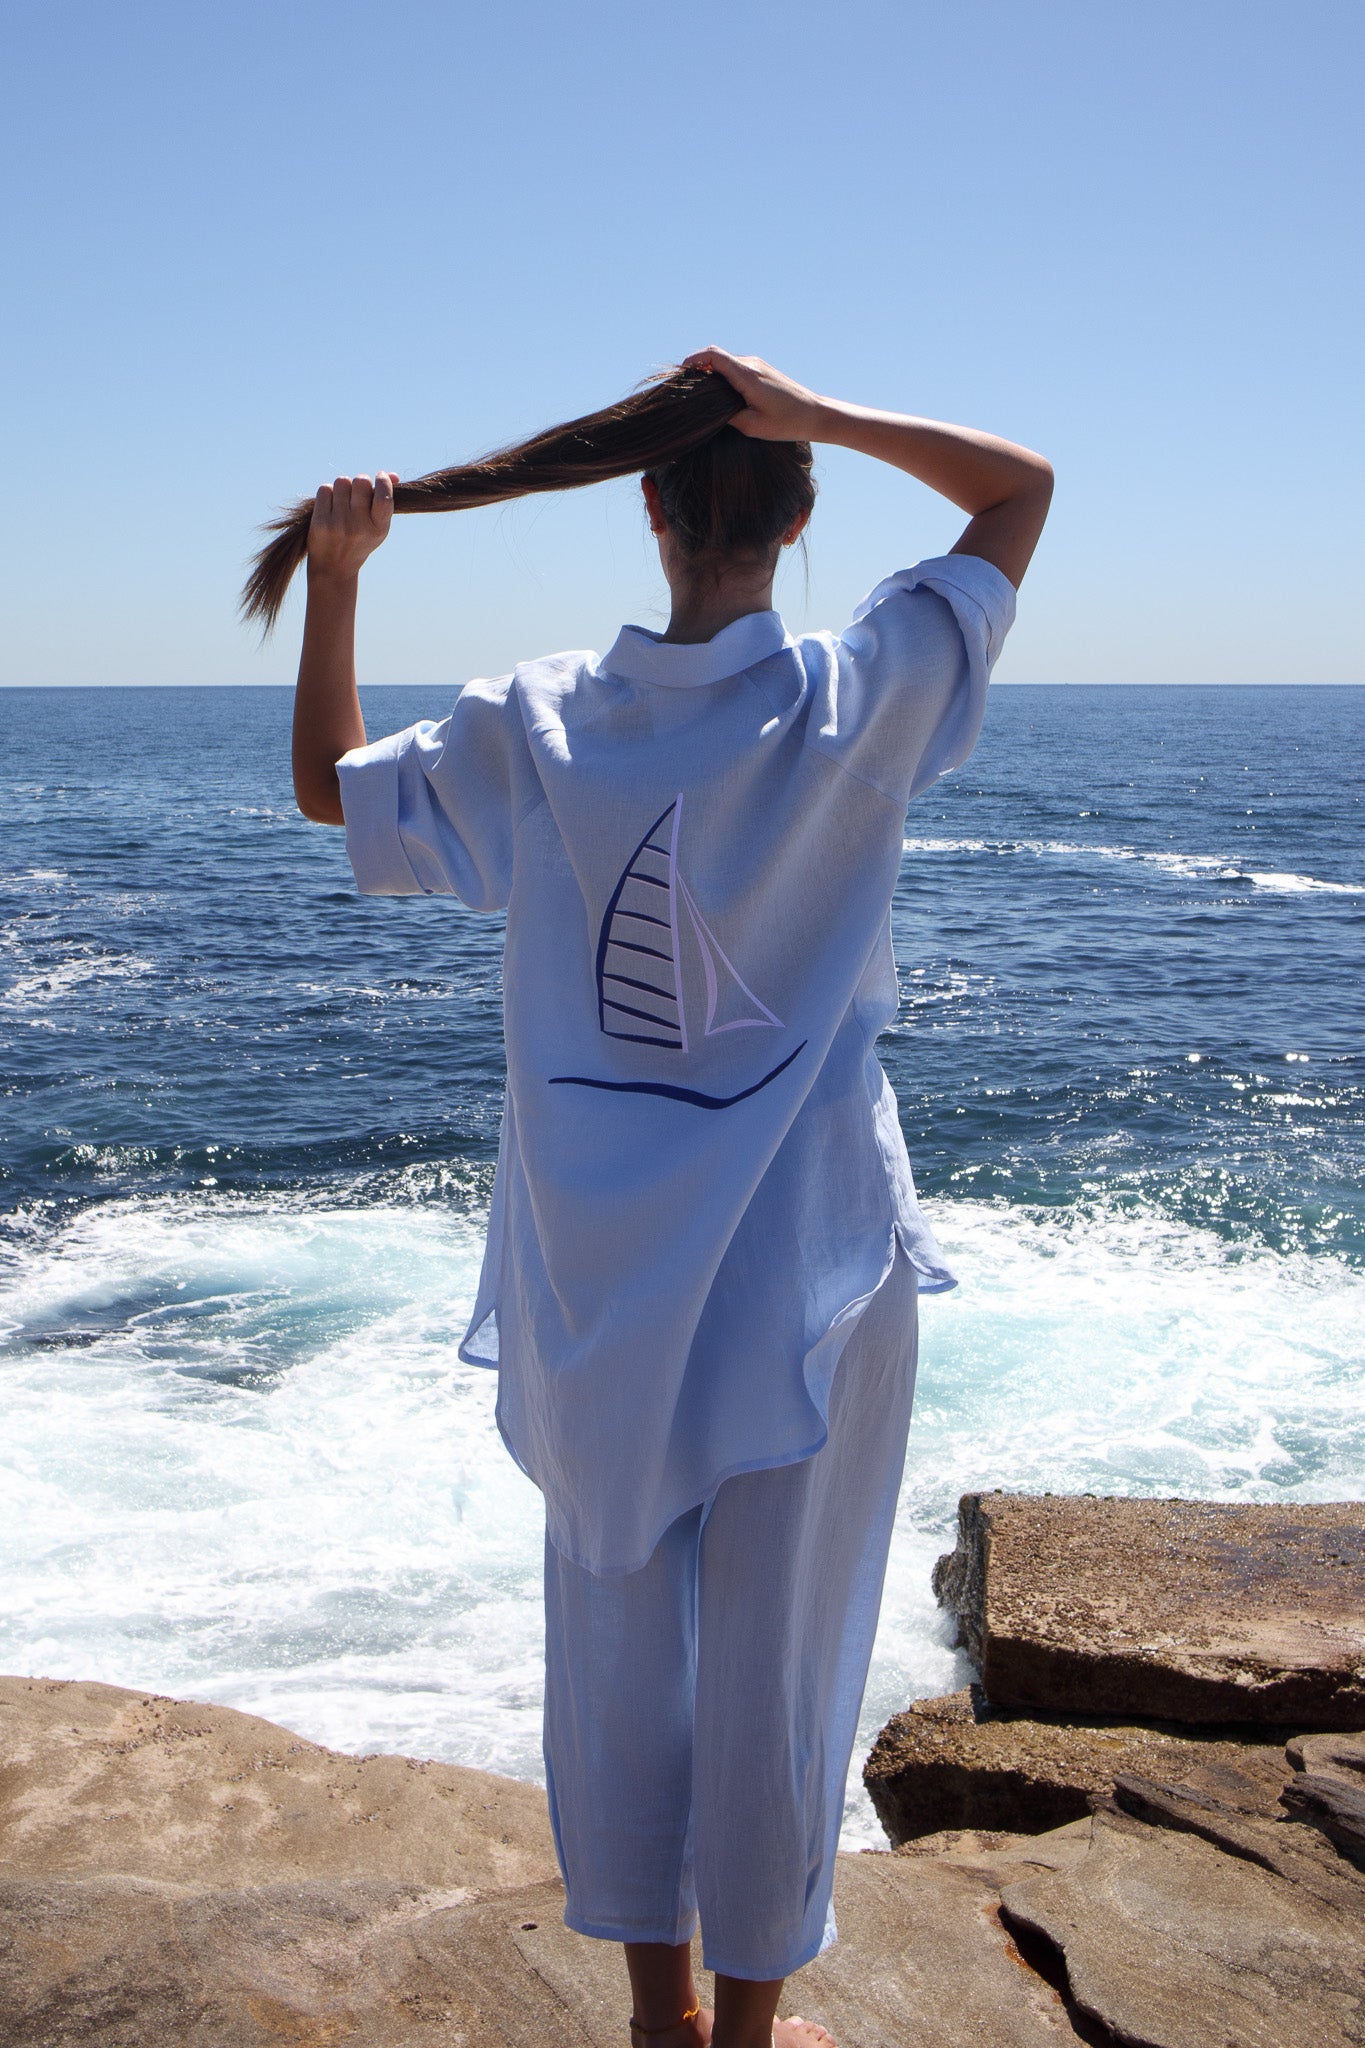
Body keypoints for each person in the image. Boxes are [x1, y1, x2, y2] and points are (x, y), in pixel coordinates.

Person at [273, 349, 1052, 2048]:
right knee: (779, 1674)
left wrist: (337, 584)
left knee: (618, 1650)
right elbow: (1017, 488)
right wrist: (829, 411)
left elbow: (331, 785)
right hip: (811, 1280)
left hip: (596, 1288)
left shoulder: (540, 724)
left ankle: (655, 2020)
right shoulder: (864, 698)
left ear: (647, 512)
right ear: (794, 512)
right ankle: (747, 2036)